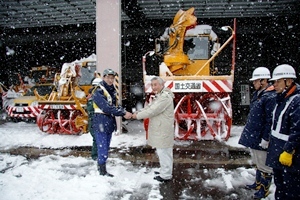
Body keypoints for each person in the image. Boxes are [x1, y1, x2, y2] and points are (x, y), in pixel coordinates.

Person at [238, 67, 276, 199]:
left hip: (261, 137)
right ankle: (258, 183)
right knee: (258, 162)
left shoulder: (270, 97)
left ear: (263, 81)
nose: (253, 83)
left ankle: (264, 190)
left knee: (264, 165)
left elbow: (269, 121)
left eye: (255, 81)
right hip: (255, 135)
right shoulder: (260, 94)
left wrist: (266, 138)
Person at [266, 64, 300, 200]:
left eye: (278, 81)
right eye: (274, 82)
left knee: (292, 191)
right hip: (277, 153)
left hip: (290, 157)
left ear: (289, 81)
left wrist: (289, 150)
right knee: (280, 188)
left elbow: (297, 130)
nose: (275, 85)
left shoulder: (297, 101)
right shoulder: (281, 99)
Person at [132, 76, 174, 182]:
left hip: (163, 129)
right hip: (161, 128)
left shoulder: (164, 97)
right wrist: (138, 112)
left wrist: (137, 116)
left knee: (164, 151)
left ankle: (166, 175)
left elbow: (152, 111)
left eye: (156, 85)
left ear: (161, 85)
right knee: (162, 151)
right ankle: (164, 171)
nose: (153, 87)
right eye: (152, 85)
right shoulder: (159, 95)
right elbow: (149, 107)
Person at [92, 68, 132, 177]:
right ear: (103, 77)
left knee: (106, 146)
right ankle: (102, 170)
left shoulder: (111, 89)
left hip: (108, 122)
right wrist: (123, 113)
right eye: (108, 78)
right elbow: (106, 108)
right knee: (102, 147)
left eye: (112, 78)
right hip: (101, 121)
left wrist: (123, 111)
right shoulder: (98, 91)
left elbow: (114, 106)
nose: (110, 80)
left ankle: (102, 166)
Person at [86, 77, 102, 161]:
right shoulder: (93, 96)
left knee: (97, 139)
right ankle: (95, 156)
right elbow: (90, 109)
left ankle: (97, 155)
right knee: (96, 139)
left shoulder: (93, 95)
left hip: (95, 120)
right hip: (94, 121)